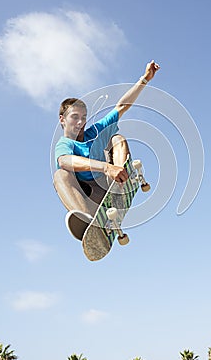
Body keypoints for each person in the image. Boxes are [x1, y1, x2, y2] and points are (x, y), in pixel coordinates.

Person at [54, 60, 160, 235]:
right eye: (74, 117)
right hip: (88, 198)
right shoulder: (65, 145)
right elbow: (64, 161)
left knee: (117, 138)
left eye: (84, 117)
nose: (81, 122)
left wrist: (145, 79)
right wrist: (105, 167)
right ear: (62, 119)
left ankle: (119, 187)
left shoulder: (95, 132)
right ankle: (90, 223)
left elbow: (121, 107)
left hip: (110, 184)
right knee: (60, 175)